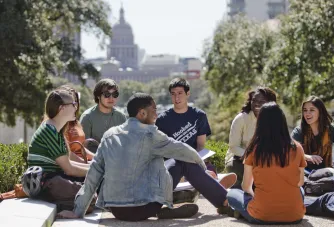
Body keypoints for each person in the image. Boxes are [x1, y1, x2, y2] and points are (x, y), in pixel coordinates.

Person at [57, 93, 237, 221]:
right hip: (144, 207)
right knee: (183, 161)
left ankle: (170, 205)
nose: (157, 114)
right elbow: (184, 150)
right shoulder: (151, 134)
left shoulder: (109, 135)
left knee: (156, 163)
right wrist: (202, 167)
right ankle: (224, 201)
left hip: (118, 210)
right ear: (142, 113)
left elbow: (93, 174)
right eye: (154, 110)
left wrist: (78, 211)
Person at [227, 102, 306, 224]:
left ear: (260, 123)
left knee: (232, 193)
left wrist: (255, 196)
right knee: (300, 190)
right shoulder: (297, 148)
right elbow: (300, 182)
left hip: (261, 215)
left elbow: (246, 186)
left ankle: (240, 211)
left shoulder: (254, 149)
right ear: (282, 122)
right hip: (295, 216)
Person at [27, 89, 93, 212]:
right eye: (73, 104)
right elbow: (69, 169)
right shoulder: (49, 131)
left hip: (55, 178)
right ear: (61, 108)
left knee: (94, 190)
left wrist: (93, 167)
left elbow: (68, 161)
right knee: (91, 199)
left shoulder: (54, 128)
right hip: (48, 182)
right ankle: (60, 205)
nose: (76, 107)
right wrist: (96, 170)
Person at [156, 78, 215, 203]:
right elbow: (161, 150)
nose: (176, 97)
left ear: (188, 94)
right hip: (173, 164)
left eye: (180, 93)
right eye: (173, 94)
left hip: (193, 161)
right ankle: (193, 188)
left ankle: (200, 185)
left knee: (210, 168)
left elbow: (200, 147)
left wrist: (198, 164)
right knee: (179, 171)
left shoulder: (199, 115)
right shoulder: (162, 119)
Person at [225, 87, 277, 188]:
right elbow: (234, 147)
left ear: (270, 103)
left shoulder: (275, 120)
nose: (257, 104)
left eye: (262, 101)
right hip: (239, 159)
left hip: (264, 161)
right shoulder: (241, 119)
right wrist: (252, 157)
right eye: (254, 100)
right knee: (239, 170)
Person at [292, 96, 334, 171]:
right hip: (304, 174)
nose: (307, 113)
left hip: (327, 173)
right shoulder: (298, 131)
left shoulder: (332, 129)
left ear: (320, 111)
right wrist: (307, 157)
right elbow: (290, 152)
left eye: (312, 110)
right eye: (305, 110)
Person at [80, 79, 127, 152]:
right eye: (107, 94)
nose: (111, 98)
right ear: (98, 96)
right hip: (94, 160)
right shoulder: (87, 117)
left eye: (115, 94)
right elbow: (83, 148)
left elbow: (126, 144)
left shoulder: (121, 117)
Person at [304, 138, 334, 219]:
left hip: (324, 172)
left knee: (324, 200)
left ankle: (291, 204)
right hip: (312, 171)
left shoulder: (331, 130)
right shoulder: (299, 131)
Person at [58, 85, 95, 162]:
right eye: (72, 103)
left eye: (76, 102)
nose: (75, 106)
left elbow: (80, 148)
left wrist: (97, 158)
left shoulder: (76, 123)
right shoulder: (58, 125)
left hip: (84, 162)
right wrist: (87, 163)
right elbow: (67, 154)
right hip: (72, 165)